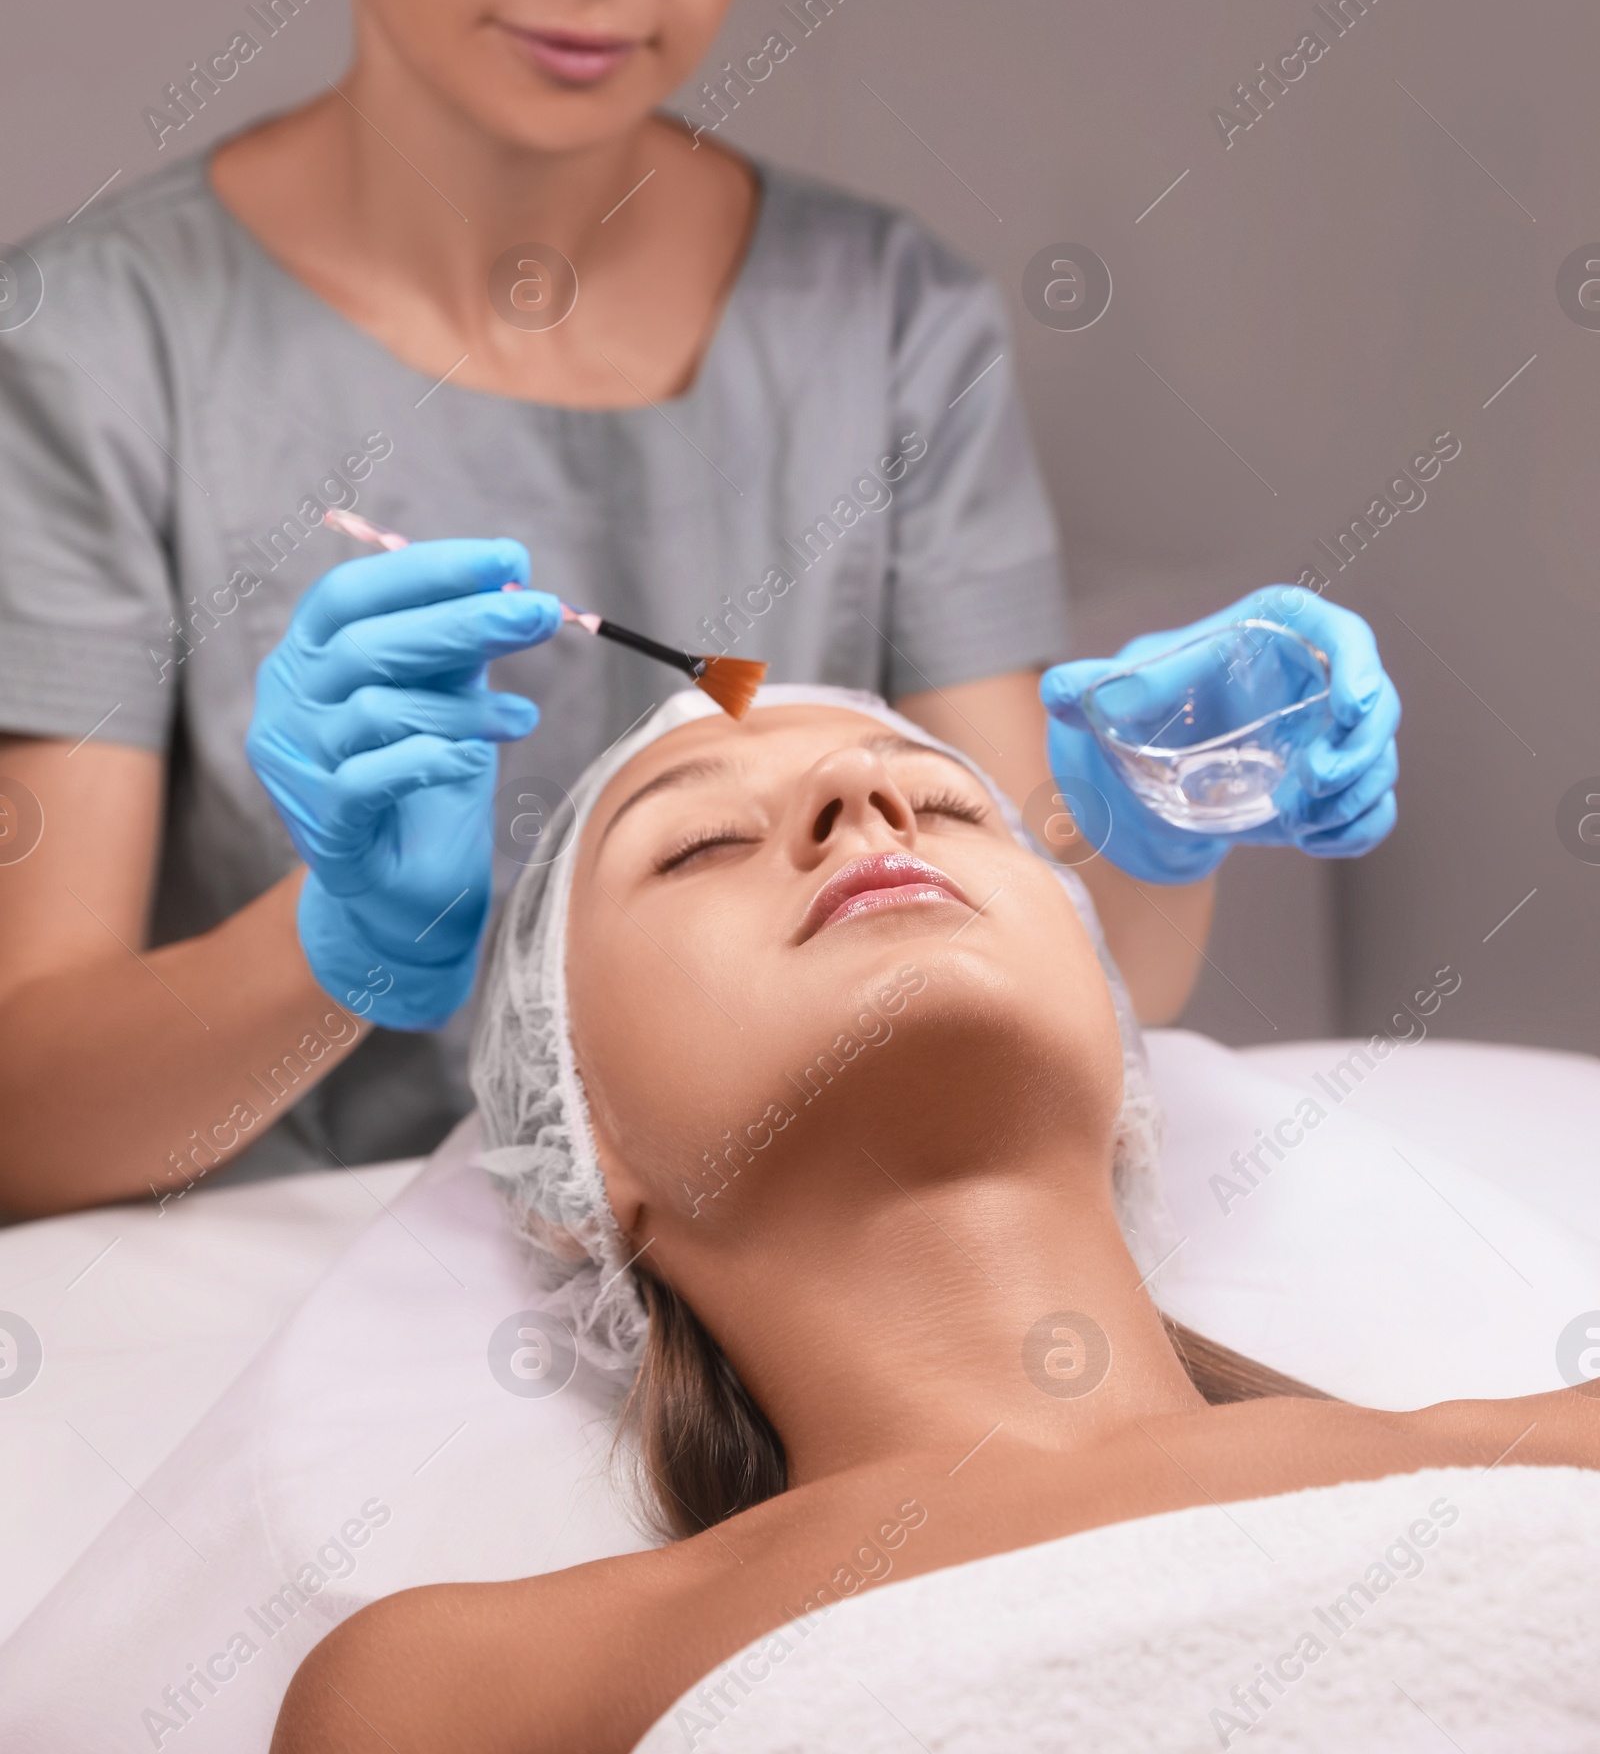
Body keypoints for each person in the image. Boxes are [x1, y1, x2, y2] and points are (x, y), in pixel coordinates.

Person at [0, 0, 1399, 1216]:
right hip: (265, 1329)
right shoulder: (93, 354)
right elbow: (24, 1116)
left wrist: (1159, 825)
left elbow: (1064, 969)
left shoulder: (889, 326)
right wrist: (332, 955)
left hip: (762, 1286)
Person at [271, 690, 1596, 1754]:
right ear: (579, 1146)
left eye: (953, 806)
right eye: (701, 842)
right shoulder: (461, 1694)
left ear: (1114, 1030)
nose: (868, 803)